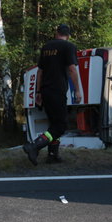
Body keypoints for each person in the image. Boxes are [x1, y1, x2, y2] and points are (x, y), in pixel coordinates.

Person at [23, 23, 83, 165]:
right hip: (58, 90)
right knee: (60, 126)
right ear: (68, 35)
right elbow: (72, 69)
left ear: (56, 33)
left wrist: (38, 91)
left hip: (45, 90)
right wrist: (78, 90)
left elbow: (40, 71)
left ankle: (52, 155)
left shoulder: (46, 47)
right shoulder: (69, 47)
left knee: (53, 124)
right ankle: (34, 146)